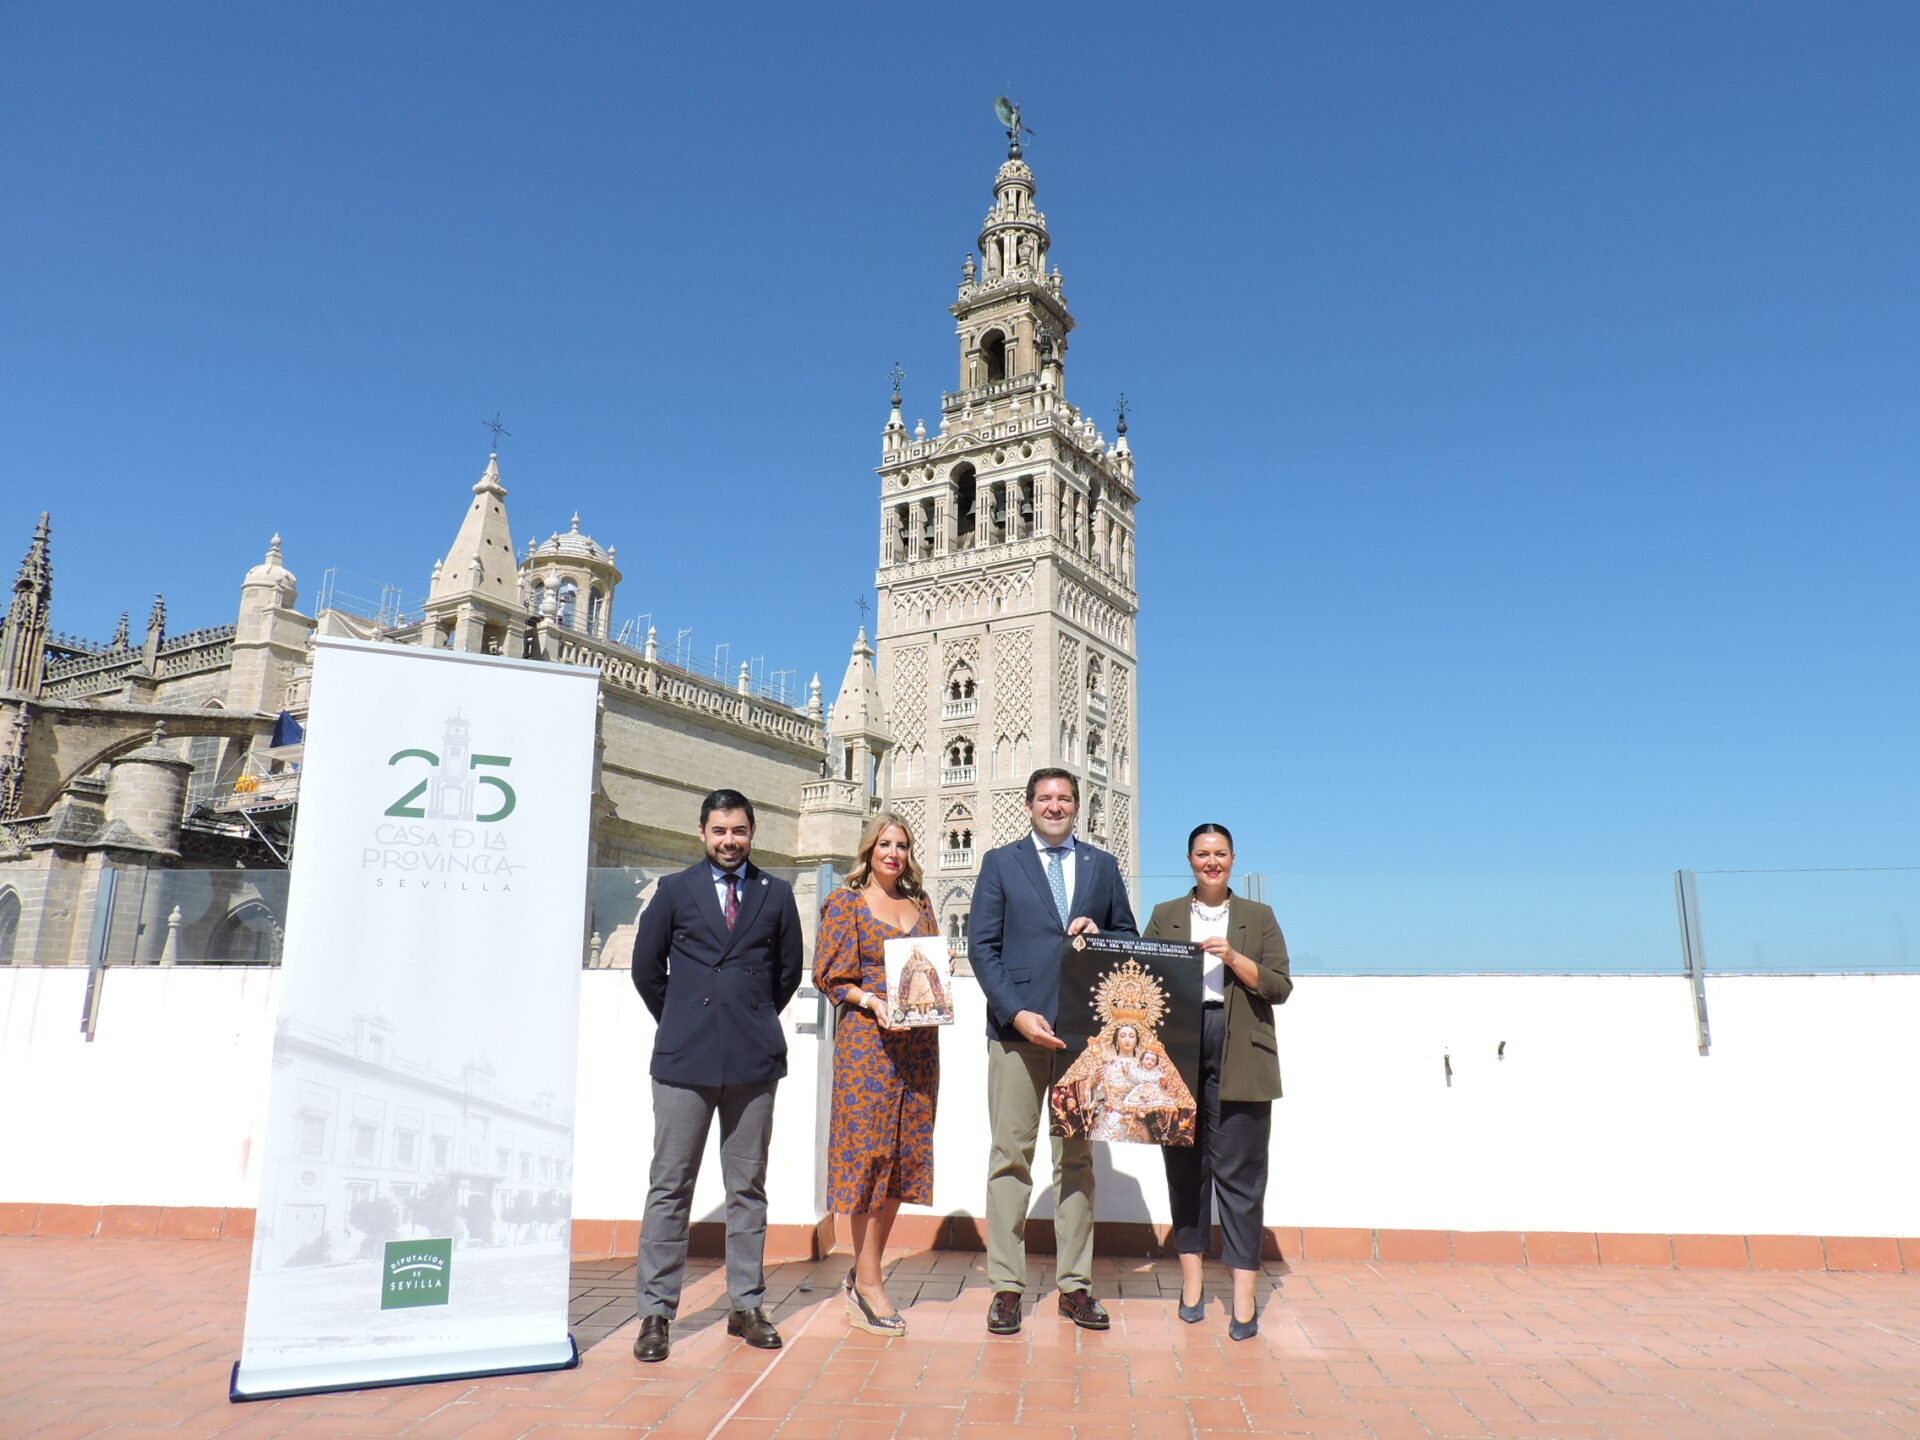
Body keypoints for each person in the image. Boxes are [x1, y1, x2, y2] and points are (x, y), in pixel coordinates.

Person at [628, 789, 803, 1362]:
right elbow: (646, 968)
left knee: (746, 1188)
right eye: (720, 831)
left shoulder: (775, 895)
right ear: (702, 833)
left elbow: (786, 974)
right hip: (684, 1059)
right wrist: (682, 1018)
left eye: (740, 831)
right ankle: (656, 1313)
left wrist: (747, 1017)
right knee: (670, 1186)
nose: (730, 841)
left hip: (753, 1060)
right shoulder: (675, 891)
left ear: (753, 833)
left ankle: (746, 1304)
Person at [969, 766, 1138, 1335]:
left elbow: (1131, 944)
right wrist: (1016, 1013)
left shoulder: (1102, 867)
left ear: (1076, 806)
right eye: (1045, 798)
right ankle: (1007, 1288)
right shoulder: (1000, 863)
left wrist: (1103, 936)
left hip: (1083, 1040)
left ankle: (1075, 1287)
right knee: (1010, 1159)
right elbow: (982, 948)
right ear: (1029, 805)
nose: (1055, 806)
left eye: (1065, 798)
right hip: (1017, 1033)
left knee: (1076, 1163)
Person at [1143, 823, 1292, 1342]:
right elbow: (1143, 983)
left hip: (1242, 1052)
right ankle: (1191, 1286)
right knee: (1185, 1169)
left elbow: (1279, 987)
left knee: (1242, 1176)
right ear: (1189, 859)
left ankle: (1244, 1295)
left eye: (1220, 854)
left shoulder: (1259, 916)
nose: (1212, 862)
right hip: (1178, 1052)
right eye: (1203, 854)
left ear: (1233, 859)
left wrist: (1232, 957)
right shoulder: (1165, 915)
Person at [813, 812, 938, 1336]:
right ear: (868, 849)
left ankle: (865, 1274)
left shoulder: (922, 904)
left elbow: (930, 969)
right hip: (868, 1046)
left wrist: (938, 979)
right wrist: (870, 1000)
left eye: (902, 845)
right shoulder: (845, 903)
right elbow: (829, 975)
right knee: (867, 1156)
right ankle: (868, 1283)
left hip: (919, 1046)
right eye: (884, 844)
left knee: (903, 1157)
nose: (893, 853)